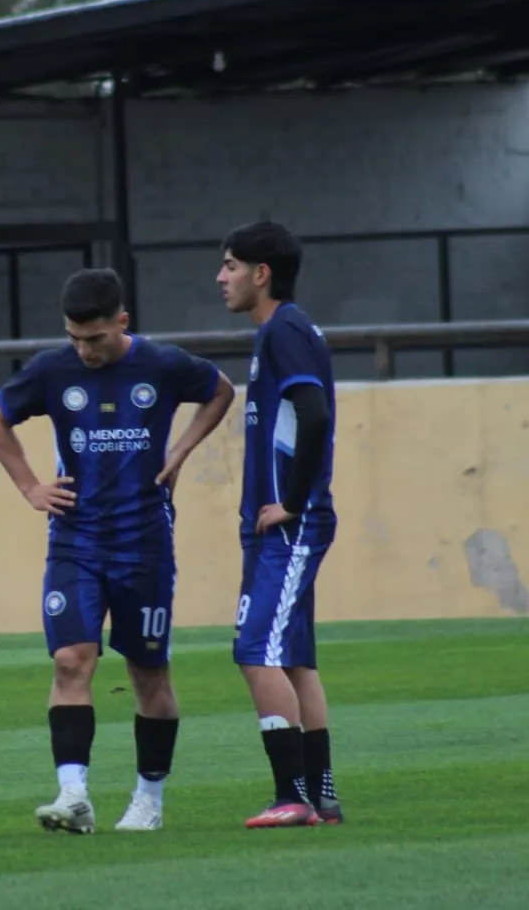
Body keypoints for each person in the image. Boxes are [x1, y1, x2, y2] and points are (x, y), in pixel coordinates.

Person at [0, 267, 234, 834]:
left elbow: (220, 391)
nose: (84, 350)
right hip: (75, 539)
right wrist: (29, 486)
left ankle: (149, 800)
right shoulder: (52, 370)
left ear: (122, 322)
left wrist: (181, 451)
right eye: (74, 338)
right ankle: (74, 795)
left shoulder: (162, 365)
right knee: (71, 660)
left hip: (144, 542)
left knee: (149, 675)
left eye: (94, 338)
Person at [217, 220, 344, 829]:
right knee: (293, 658)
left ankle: (291, 795)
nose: (222, 277)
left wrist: (292, 502)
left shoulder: (283, 331)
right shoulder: (286, 331)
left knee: (254, 651)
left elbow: (313, 414)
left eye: (231, 265)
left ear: (260, 273)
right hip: (286, 525)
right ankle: (320, 794)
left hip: (289, 527)